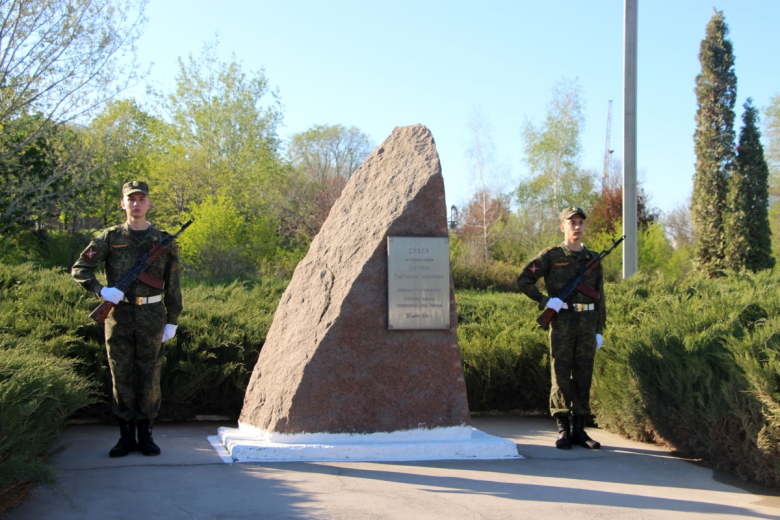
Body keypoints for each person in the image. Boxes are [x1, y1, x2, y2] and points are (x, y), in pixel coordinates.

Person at [72, 181, 182, 457]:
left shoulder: (163, 241)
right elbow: (80, 268)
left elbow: (174, 284)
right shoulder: (108, 237)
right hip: (118, 316)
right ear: (123, 204)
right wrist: (101, 291)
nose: (136, 203)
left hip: (152, 316)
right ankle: (124, 436)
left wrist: (173, 320)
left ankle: (145, 434)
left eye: (141, 198)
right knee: (120, 375)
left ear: (148, 204)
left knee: (150, 375)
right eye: (130, 199)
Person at [517, 207, 605, 450]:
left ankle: (580, 429)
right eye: (572, 222)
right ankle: (563, 429)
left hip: (587, 323)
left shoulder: (593, 259)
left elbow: (601, 296)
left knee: (584, 376)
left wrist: (599, 329)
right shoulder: (551, 256)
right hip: (563, 321)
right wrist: (546, 301)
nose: (577, 226)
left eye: (581, 223)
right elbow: (524, 280)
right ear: (563, 226)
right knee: (561, 374)